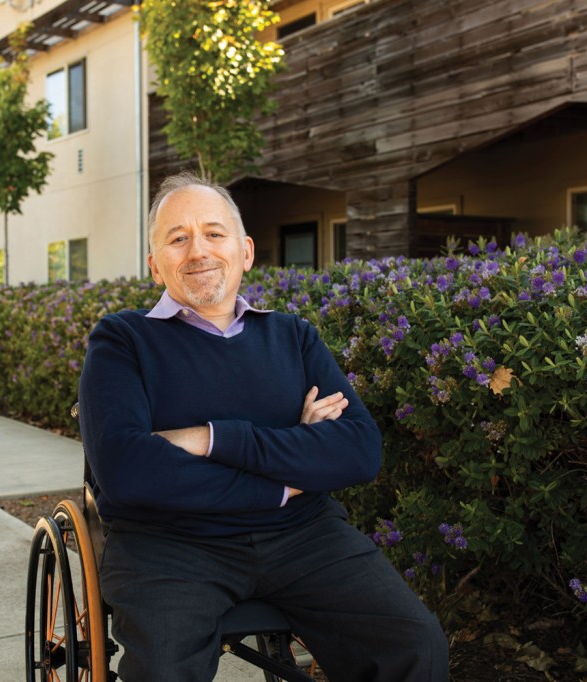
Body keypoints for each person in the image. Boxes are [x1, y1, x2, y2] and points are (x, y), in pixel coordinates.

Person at [78, 171, 449, 681]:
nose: (198, 250)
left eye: (214, 232)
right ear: (155, 265)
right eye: (177, 238)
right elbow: (127, 471)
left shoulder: (292, 336)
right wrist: (290, 470)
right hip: (169, 547)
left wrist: (211, 438)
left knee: (415, 644)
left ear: (245, 251)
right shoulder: (122, 340)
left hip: (305, 537)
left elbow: (359, 451)